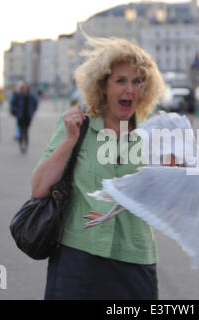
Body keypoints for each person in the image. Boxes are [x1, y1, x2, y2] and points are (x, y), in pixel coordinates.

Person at [31, 36, 166, 300]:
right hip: (77, 257)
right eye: (121, 81)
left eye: (138, 81)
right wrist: (69, 141)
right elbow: (38, 187)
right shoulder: (78, 125)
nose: (130, 90)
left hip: (134, 260)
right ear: (102, 85)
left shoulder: (154, 136)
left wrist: (179, 172)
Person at [10, 82, 38, 153]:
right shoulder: (18, 95)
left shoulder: (31, 96)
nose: (24, 89)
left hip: (28, 117)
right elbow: (12, 104)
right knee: (20, 131)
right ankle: (21, 146)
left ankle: (25, 146)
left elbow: (36, 103)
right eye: (23, 88)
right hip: (20, 116)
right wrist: (15, 112)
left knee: (26, 131)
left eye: (26, 88)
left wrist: (32, 111)